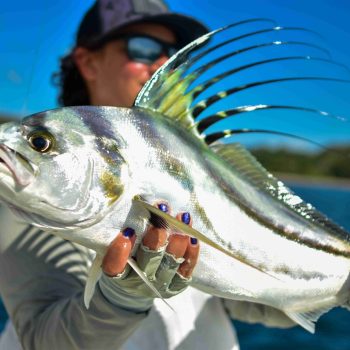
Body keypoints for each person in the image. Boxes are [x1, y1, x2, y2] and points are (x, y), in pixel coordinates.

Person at [0, 1, 295, 349]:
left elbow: (241, 294)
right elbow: (43, 338)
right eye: (143, 48)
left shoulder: (204, 168)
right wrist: (120, 298)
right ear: (89, 62)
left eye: (172, 55)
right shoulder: (25, 198)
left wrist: (312, 294)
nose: (161, 63)